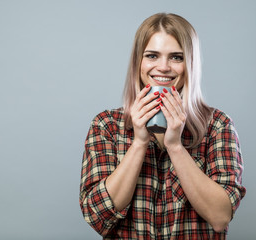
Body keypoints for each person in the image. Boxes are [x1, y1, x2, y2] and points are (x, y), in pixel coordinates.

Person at [79, 12, 246, 240]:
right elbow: (97, 217)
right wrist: (139, 143)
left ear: (190, 64)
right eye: (152, 56)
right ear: (139, 62)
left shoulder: (218, 125)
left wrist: (175, 146)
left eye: (176, 57)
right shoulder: (106, 126)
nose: (163, 67)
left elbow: (220, 217)